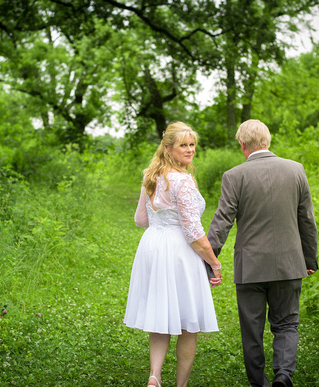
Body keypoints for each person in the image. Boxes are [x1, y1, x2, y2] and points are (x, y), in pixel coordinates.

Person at [206, 119, 318, 387]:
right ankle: (283, 375)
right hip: (290, 264)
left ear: (243, 145)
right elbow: (307, 220)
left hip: (251, 268)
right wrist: (309, 258)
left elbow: (222, 222)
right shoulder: (296, 170)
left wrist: (209, 260)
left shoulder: (234, 176)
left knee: (251, 331)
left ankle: (260, 382)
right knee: (287, 323)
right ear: (268, 141)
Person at [124, 121, 223, 387]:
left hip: (153, 246)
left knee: (160, 313)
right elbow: (194, 233)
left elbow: (141, 220)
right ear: (169, 148)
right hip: (179, 251)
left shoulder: (152, 176)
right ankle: (180, 385)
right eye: (184, 145)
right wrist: (214, 263)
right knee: (188, 322)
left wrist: (162, 217)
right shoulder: (182, 181)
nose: (190, 150)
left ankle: (155, 376)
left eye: (192, 145)